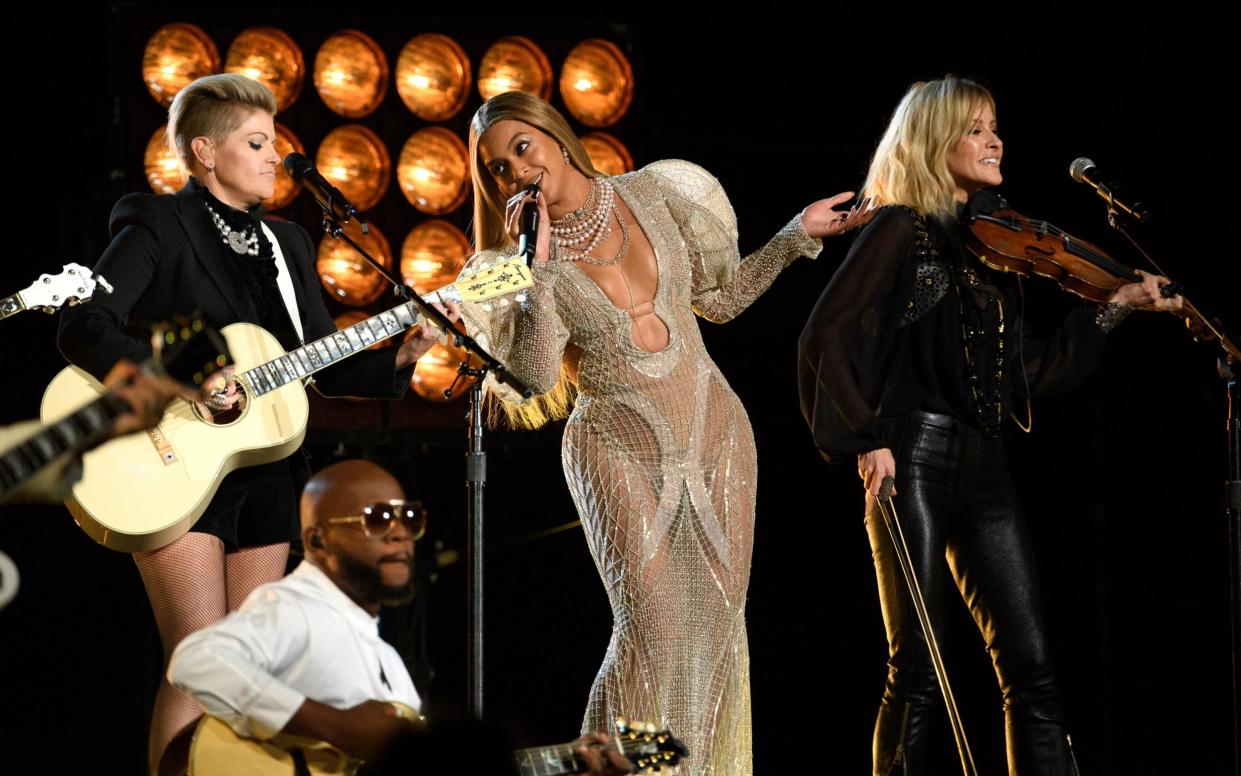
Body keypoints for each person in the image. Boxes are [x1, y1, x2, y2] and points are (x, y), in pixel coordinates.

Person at [457, 90, 868, 775]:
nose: (515, 172)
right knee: (653, 629)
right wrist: (535, 269)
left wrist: (796, 236)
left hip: (715, 428)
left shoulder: (656, 191)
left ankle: (695, 768)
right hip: (611, 441)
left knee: (712, 628)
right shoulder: (508, 269)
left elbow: (721, 299)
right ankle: (615, 769)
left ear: (555, 138)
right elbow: (530, 378)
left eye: (520, 148)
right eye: (496, 169)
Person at [55, 74, 455, 775]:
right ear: (206, 152)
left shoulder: (290, 243)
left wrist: (404, 353)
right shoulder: (154, 221)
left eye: (275, 142)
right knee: (196, 652)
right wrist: (187, 379)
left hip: (268, 465)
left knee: (249, 658)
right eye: (257, 142)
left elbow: (322, 367)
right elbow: (82, 324)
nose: (276, 156)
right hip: (172, 458)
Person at [797, 75, 1183, 775]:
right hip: (910, 455)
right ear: (933, 140)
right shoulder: (896, 226)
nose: (993, 139)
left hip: (985, 466)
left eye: (993, 125)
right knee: (915, 665)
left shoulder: (988, 246)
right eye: (974, 128)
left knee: (1030, 672)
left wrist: (1117, 303)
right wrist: (864, 437)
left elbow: (1025, 375)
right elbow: (823, 339)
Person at [169, 459, 632, 776]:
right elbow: (195, 660)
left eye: (408, 517)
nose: (398, 534)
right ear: (317, 541)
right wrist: (337, 727)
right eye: (375, 519)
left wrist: (566, 763)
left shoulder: (390, 665)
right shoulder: (295, 607)